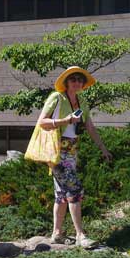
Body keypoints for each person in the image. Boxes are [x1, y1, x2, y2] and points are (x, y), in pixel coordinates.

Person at [36, 66, 112, 248]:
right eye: (73, 79)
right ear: (66, 82)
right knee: (75, 189)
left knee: (61, 194)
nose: (77, 83)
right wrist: (65, 121)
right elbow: (41, 122)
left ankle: (57, 233)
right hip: (56, 150)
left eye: (80, 80)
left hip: (72, 151)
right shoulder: (57, 97)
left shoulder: (81, 101)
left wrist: (102, 147)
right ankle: (80, 235)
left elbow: (90, 127)